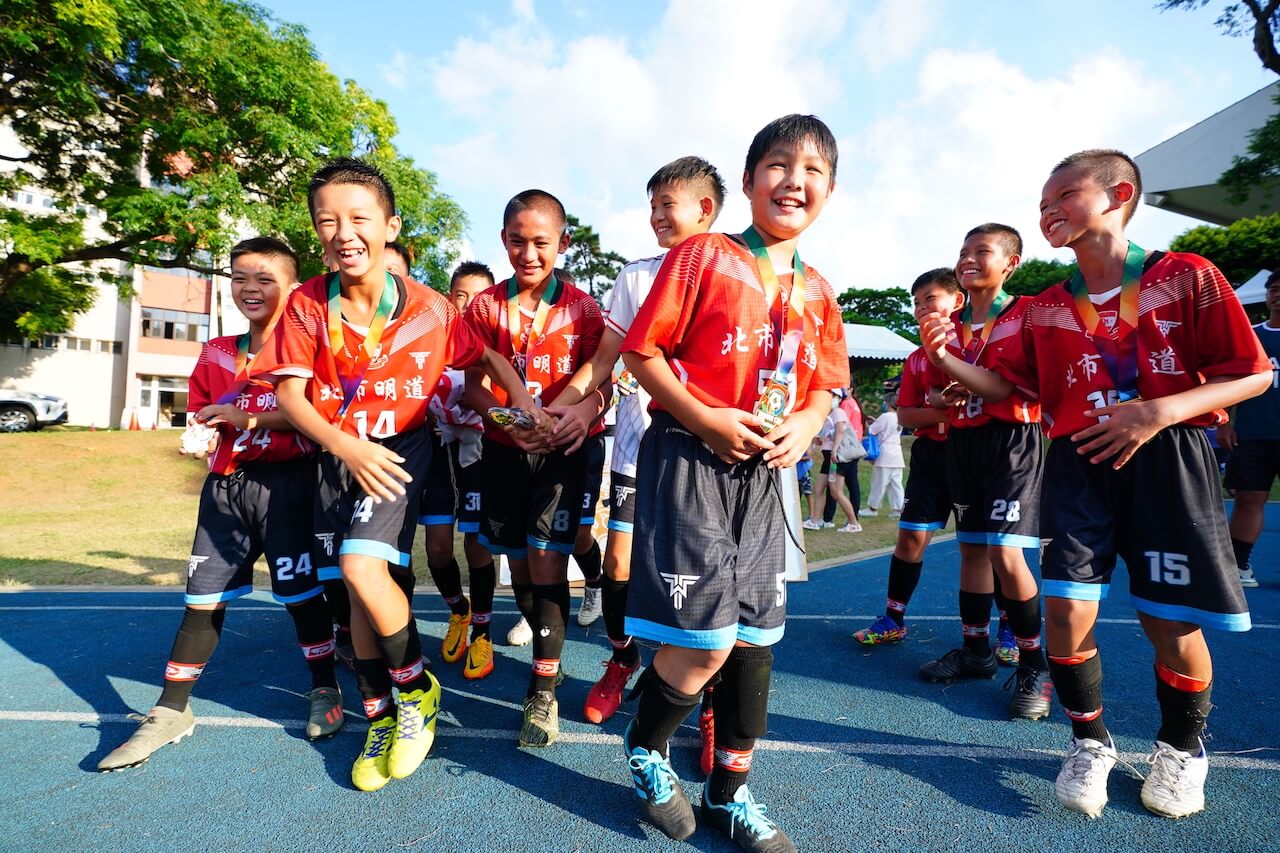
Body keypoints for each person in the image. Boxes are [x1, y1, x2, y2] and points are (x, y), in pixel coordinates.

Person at [921, 149, 1269, 819]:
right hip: (1077, 464)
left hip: (1169, 456)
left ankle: (1181, 746)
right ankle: (1089, 740)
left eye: (1064, 195)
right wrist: (943, 357)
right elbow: (1008, 387)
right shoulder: (1045, 307)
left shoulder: (1187, 276)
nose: (1048, 209)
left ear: (1119, 194)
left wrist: (1159, 409)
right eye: (1042, 201)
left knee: (1165, 618)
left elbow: (1254, 373)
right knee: (1065, 609)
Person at [253, 158, 541, 792]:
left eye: (359, 218)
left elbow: (483, 355)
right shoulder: (305, 306)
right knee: (354, 594)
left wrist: (517, 403)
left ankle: (417, 694)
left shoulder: (433, 308)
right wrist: (342, 448)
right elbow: (294, 399)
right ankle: (381, 718)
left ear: (390, 226)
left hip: (397, 450)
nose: (343, 232)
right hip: (336, 454)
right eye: (327, 220)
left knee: (362, 567)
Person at [618, 114, 848, 851]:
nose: (795, 180)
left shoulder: (820, 290)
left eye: (813, 171)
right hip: (691, 456)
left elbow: (825, 387)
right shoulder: (703, 257)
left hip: (764, 477)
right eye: (779, 164)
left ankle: (729, 791)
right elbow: (641, 353)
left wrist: (809, 424)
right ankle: (648, 748)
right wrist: (709, 418)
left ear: (830, 191)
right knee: (708, 639)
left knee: (755, 641)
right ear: (747, 182)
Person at [98, 237, 343, 771]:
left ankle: (325, 688)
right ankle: (170, 710)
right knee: (202, 599)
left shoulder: (311, 349)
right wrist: (204, 435)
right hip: (226, 490)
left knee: (301, 597)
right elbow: (203, 414)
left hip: (289, 486)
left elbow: (319, 415)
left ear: (294, 288)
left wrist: (247, 418)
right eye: (239, 278)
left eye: (264, 278)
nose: (250, 289)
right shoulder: (214, 352)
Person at [550, 156, 726, 728]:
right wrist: (567, 404)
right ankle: (623, 661)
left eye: (666, 204)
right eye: (650, 205)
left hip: (707, 452)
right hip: (636, 445)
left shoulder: (737, 274)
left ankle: (710, 701)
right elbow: (606, 358)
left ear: (705, 208)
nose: (655, 216)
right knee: (620, 565)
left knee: (708, 579)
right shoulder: (636, 275)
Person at [463, 189, 605, 748]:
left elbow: (604, 386)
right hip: (504, 451)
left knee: (548, 563)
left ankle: (542, 689)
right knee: (519, 567)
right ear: (503, 241)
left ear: (562, 244)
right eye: (517, 241)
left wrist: (580, 412)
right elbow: (474, 388)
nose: (528, 253)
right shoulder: (482, 308)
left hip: (566, 453)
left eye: (541, 243)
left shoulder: (584, 309)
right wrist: (511, 416)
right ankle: (550, 656)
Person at [915, 222, 1052, 722]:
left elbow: (999, 390)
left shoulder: (1026, 313)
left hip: (1012, 442)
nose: (968, 258)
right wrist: (941, 390)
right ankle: (976, 652)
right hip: (963, 441)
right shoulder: (949, 321)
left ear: (1010, 263)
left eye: (983, 251)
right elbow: (933, 390)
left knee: (1005, 551)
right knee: (971, 549)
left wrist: (946, 359)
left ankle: (1035, 665)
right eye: (963, 250)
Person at [854, 268, 960, 645]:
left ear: (957, 301)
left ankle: (1011, 632)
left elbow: (993, 398)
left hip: (973, 455)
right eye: (916, 302)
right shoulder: (916, 358)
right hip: (930, 455)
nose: (921, 308)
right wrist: (943, 410)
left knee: (987, 550)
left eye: (930, 299)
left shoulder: (977, 344)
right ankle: (893, 617)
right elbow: (905, 415)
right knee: (910, 539)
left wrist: (939, 406)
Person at [418, 262, 502, 679]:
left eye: (480, 297)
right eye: (462, 296)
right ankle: (459, 610)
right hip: (436, 454)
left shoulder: (496, 345)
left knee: (477, 543)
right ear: (450, 299)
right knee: (436, 548)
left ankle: (483, 631)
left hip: (479, 455)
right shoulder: (430, 337)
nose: (470, 305)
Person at [1219, 270, 1280, 589]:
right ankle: (1239, 566)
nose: (1277, 294)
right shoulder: (1252, 335)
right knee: (1248, 499)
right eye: (1273, 289)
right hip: (1254, 433)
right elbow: (1231, 380)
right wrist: (1227, 421)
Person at [823, 385, 865, 527]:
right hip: (847, 452)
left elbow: (840, 430)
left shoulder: (840, 410)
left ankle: (852, 522)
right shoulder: (850, 405)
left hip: (841, 454)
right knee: (840, 489)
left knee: (836, 491)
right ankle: (852, 521)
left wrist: (834, 450)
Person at [862, 395, 904, 516]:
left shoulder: (886, 417)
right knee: (896, 484)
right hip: (896, 454)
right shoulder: (899, 417)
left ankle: (872, 508)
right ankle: (898, 509)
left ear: (888, 403)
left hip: (885, 455)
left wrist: (867, 424)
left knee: (879, 483)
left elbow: (872, 430)